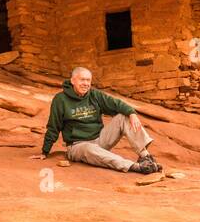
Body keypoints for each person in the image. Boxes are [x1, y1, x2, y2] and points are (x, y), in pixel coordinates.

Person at [30, 67, 162, 174]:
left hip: (99, 140)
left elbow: (116, 104)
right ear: (72, 81)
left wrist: (132, 113)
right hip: (78, 146)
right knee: (88, 148)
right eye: (82, 80)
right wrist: (44, 152)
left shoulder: (94, 95)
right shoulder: (60, 100)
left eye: (88, 80)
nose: (86, 84)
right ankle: (135, 167)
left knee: (124, 116)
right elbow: (54, 126)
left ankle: (145, 157)